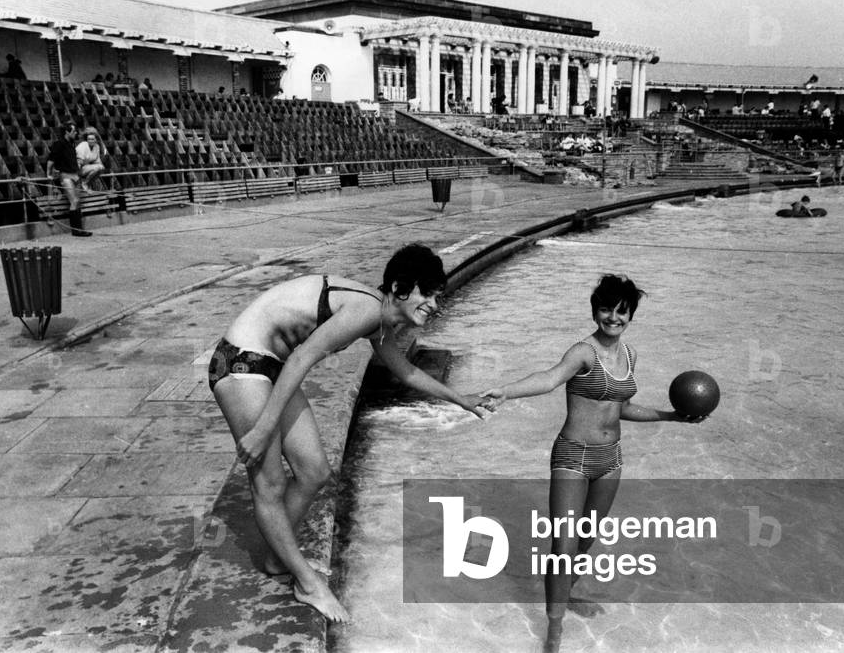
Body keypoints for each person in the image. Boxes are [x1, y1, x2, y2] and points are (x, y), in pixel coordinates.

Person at [210, 244, 488, 623]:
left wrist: (463, 400)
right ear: (399, 286)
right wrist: (263, 428)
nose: (434, 304)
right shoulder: (368, 309)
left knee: (314, 472)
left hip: (270, 365)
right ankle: (307, 584)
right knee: (270, 484)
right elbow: (302, 358)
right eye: (428, 293)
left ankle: (279, 557)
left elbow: (404, 370)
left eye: (438, 296)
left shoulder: (379, 318)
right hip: (242, 362)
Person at [477, 275, 708, 653]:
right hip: (573, 456)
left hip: (610, 459)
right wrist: (506, 391)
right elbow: (550, 378)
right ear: (594, 310)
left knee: (586, 539)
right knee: (564, 544)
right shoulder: (583, 352)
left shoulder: (630, 355)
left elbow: (622, 408)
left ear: (631, 315)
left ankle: (564, 595)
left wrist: (672, 417)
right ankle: (553, 633)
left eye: (621, 311)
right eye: (605, 309)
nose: (612, 318)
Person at [45, 120, 91, 237]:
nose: (76, 134)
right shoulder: (59, 144)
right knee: (74, 201)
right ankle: (76, 230)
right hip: (65, 176)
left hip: (75, 175)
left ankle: (79, 229)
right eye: (74, 131)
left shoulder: (72, 144)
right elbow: (51, 159)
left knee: (77, 202)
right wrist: (48, 173)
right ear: (67, 132)